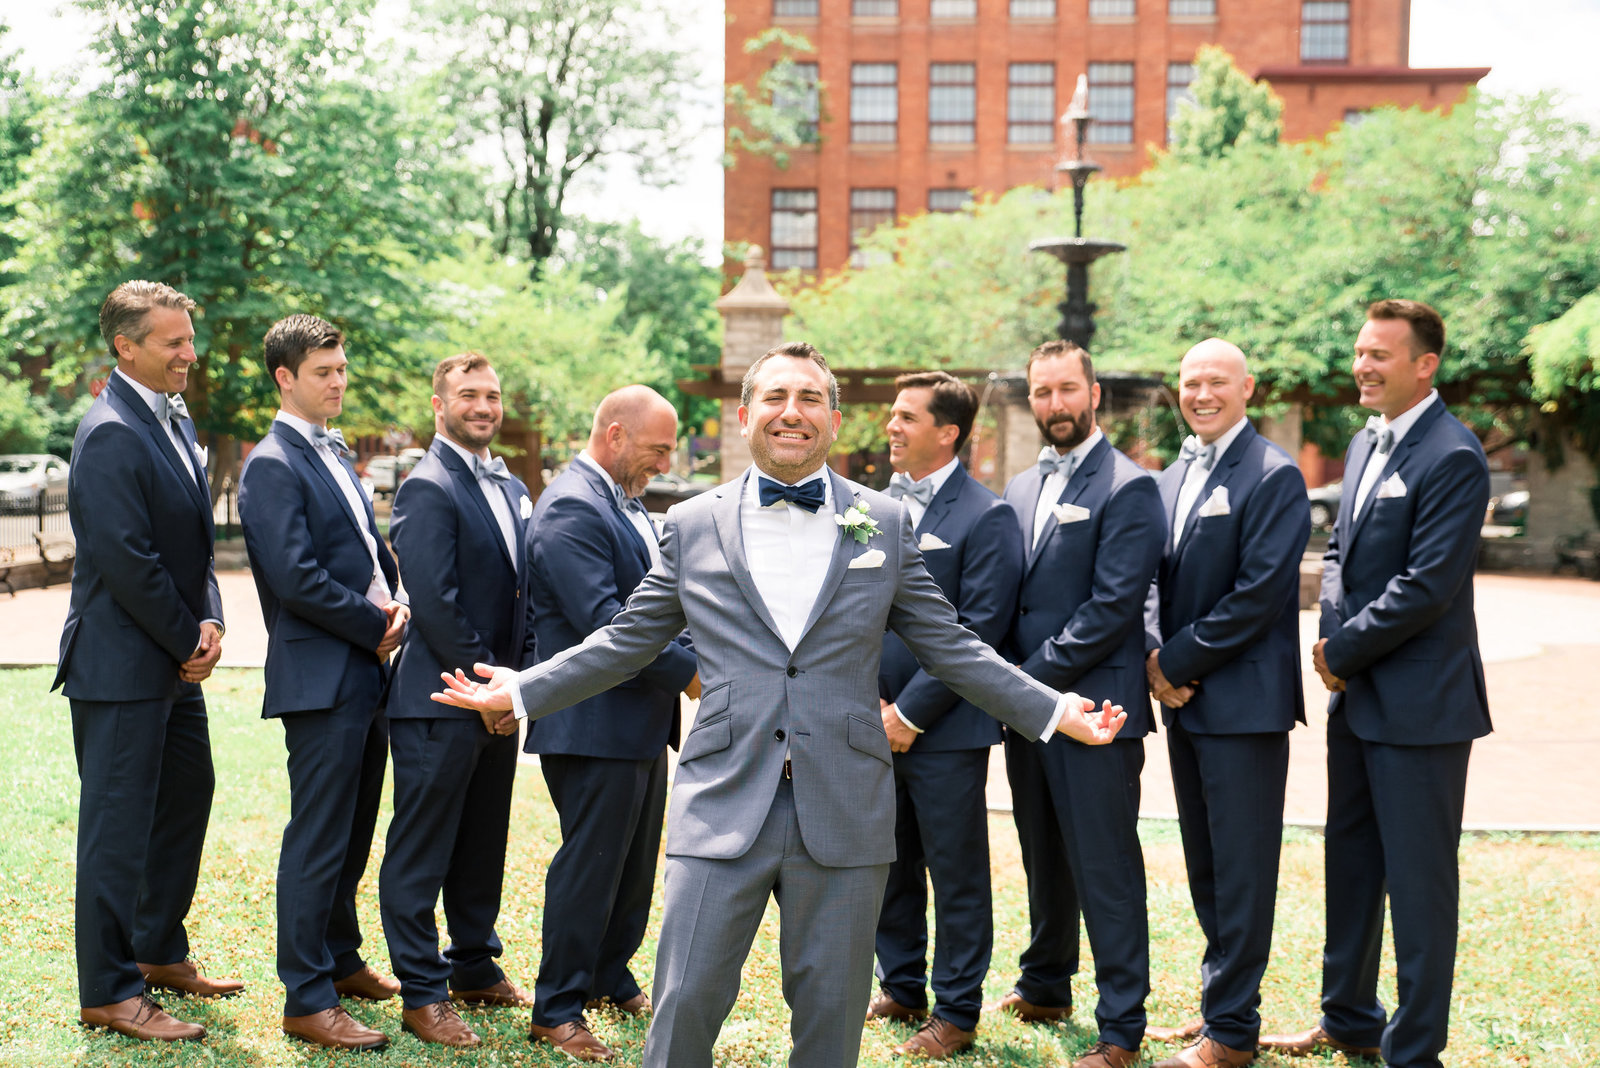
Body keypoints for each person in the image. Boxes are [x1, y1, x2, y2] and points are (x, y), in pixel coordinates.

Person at [431, 341, 1127, 1068]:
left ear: (832, 419)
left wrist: (1053, 710)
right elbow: (626, 639)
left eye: (808, 399)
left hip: (847, 803)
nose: (791, 412)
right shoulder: (694, 522)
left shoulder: (881, 523)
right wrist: (521, 688)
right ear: (744, 414)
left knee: (830, 1028)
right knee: (684, 1009)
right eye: (774, 397)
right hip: (722, 798)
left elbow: (953, 646)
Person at [1261, 299, 1491, 1068]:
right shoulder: (1365, 444)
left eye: (1380, 355)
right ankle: (1350, 1017)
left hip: (1422, 706)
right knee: (1350, 861)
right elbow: (1343, 557)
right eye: (1360, 352)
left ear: (1425, 365)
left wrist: (1343, 650)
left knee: (1420, 885)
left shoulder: (1454, 455)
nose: (1363, 366)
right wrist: (1333, 646)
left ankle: (1413, 1049)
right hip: (1355, 700)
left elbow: (1428, 585)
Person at [54, 281, 241, 1042]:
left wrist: (212, 619)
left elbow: (191, 541)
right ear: (126, 346)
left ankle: (158, 951)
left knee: (188, 793)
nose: (188, 353)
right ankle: (108, 989)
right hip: (121, 665)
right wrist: (185, 638)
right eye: (172, 341)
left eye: (188, 338)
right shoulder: (107, 433)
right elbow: (125, 559)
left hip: (170, 654)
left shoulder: (171, 418)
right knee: (117, 828)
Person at [238, 313, 409, 1052]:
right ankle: (306, 997)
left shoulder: (334, 454)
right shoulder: (272, 462)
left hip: (367, 670)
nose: (338, 382)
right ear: (285, 377)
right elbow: (296, 578)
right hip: (322, 674)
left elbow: (368, 549)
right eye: (323, 372)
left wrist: (397, 597)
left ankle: (340, 962)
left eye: (342, 369)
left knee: (353, 830)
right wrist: (375, 625)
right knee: (317, 836)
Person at [993, 339, 1165, 1068]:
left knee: (1106, 867)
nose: (1054, 405)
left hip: (1098, 711)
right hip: (1031, 712)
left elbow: (1112, 607)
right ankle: (1045, 984)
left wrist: (1023, 682)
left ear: (1094, 394)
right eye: (1041, 392)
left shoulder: (1129, 486)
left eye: (1067, 390)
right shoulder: (1021, 487)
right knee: (1044, 854)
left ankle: (1122, 1027)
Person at [1142, 339, 1309, 1068]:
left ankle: (1235, 1033)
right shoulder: (1175, 474)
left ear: (1247, 388)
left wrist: (1171, 663)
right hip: (1184, 704)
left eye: (1216, 381)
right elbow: (1150, 578)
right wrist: (1153, 655)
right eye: (1189, 382)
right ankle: (1220, 1009)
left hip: (1243, 707)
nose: (1201, 393)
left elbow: (1259, 594)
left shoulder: (1275, 475)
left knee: (1242, 870)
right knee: (1206, 865)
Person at [521, 385, 699, 1062]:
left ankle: (608, 974)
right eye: (657, 449)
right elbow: (608, 621)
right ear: (616, 434)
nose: (665, 461)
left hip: (639, 720)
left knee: (629, 864)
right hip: (590, 719)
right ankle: (556, 1009)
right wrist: (691, 675)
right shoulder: (571, 505)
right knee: (589, 866)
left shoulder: (620, 503)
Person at [380, 353, 536, 1048]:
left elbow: (522, 596)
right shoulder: (427, 487)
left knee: (482, 843)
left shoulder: (511, 486)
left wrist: (517, 687)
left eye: (493, 395)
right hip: (441, 700)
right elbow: (437, 606)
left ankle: (473, 965)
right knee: (421, 850)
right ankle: (421, 991)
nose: (484, 405)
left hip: (495, 699)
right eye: (468, 394)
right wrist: (487, 687)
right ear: (438, 404)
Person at [867, 372, 1024, 1059]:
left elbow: (980, 633)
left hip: (947, 730)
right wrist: (869, 702)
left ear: (947, 432)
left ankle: (956, 1011)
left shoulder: (986, 516)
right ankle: (901, 986)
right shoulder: (869, 507)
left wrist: (909, 711)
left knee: (956, 872)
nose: (891, 428)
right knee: (888, 860)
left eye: (906, 417)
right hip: (871, 723)